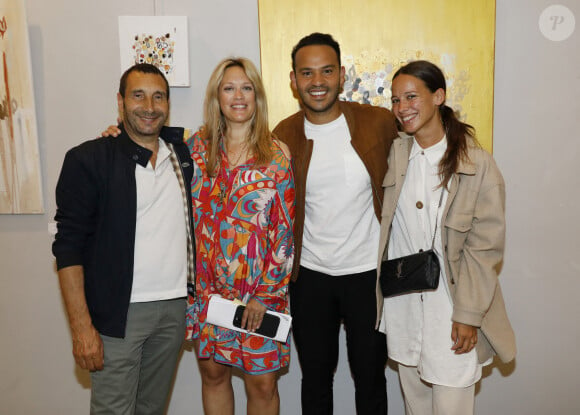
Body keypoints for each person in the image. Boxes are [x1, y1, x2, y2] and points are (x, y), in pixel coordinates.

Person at [52, 63, 195, 414]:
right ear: (120, 102)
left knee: (152, 408)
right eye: (138, 95)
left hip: (174, 311)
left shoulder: (185, 155)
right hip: (118, 315)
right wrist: (82, 329)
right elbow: (67, 249)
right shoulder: (89, 159)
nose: (149, 106)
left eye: (158, 96)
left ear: (168, 104)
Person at [376, 60, 516, 414]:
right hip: (404, 306)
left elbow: (485, 249)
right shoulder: (396, 154)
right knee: (415, 407)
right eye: (395, 100)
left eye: (411, 96)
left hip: (452, 309)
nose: (402, 107)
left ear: (438, 96)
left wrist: (469, 314)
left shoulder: (477, 165)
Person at [272, 33, 399, 415]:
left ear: (341, 75)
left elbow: (426, 133)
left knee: (371, 377)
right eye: (306, 73)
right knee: (315, 379)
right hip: (310, 277)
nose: (317, 81)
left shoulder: (377, 123)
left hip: (367, 276)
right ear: (293, 80)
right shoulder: (284, 134)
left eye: (326, 71)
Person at [186, 57, 295, 415]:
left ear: (257, 97)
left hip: (260, 295)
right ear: (217, 96)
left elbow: (284, 233)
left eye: (246, 88)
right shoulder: (195, 150)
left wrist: (266, 294)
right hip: (207, 293)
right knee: (213, 374)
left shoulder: (277, 155)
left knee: (262, 384)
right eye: (229, 88)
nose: (238, 96)